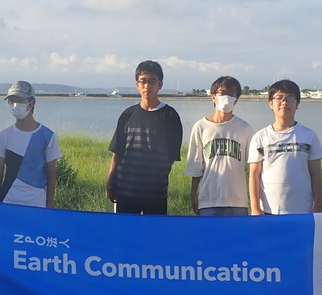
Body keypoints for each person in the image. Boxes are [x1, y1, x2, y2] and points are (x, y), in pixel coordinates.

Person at [106, 61, 183, 215]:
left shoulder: (170, 116)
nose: (147, 86)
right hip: (126, 190)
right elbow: (118, 152)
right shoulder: (128, 115)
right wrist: (110, 182)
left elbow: (172, 155)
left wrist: (155, 175)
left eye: (152, 81)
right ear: (137, 85)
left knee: (154, 236)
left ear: (160, 84)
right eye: (143, 81)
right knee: (126, 235)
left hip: (155, 192)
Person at [247, 79, 322, 215]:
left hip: (303, 210)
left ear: (297, 104)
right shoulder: (260, 137)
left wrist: (318, 206)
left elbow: (316, 174)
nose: (284, 102)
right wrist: (255, 208)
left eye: (290, 98)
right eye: (279, 98)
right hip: (269, 210)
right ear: (270, 103)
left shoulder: (309, 136)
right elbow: (254, 174)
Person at [184, 76, 254, 216]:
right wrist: (193, 195)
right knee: (209, 238)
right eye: (222, 93)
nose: (226, 97)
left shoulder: (245, 128)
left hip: (237, 202)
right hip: (208, 201)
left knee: (237, 238)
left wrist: (256, 200)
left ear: (236, 99)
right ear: (213, 97)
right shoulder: (201, 127)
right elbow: (196, 166)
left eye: (231, 93)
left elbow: (253, 167)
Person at [0, 81, 62, 208]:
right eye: (12, 101)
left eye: (20, 100)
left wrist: (50, 205)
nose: (15, 104)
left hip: (37, 204)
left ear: (32, 103)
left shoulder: (48, 136)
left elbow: (51, 174)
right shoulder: (4, 136)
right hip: (8, 202)